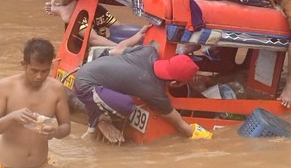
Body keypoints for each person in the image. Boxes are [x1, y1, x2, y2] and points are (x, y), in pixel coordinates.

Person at [72, 42, 212, 139]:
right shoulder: (154, 92)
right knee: (127, 106)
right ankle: (102, 119)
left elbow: (114, 51)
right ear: (175, 83)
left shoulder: (148, 51)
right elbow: (181, 125)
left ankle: (93, 124)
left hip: (87, 69)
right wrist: (202, 136)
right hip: (85, 87)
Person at [0, 38, 71, 168]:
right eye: (34, 70)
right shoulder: (5, 87)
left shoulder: (56, 89)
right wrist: (11, 117)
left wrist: (55, 132)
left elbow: (66, 127)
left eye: (45, 71)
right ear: (23, 65)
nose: (39, 76)